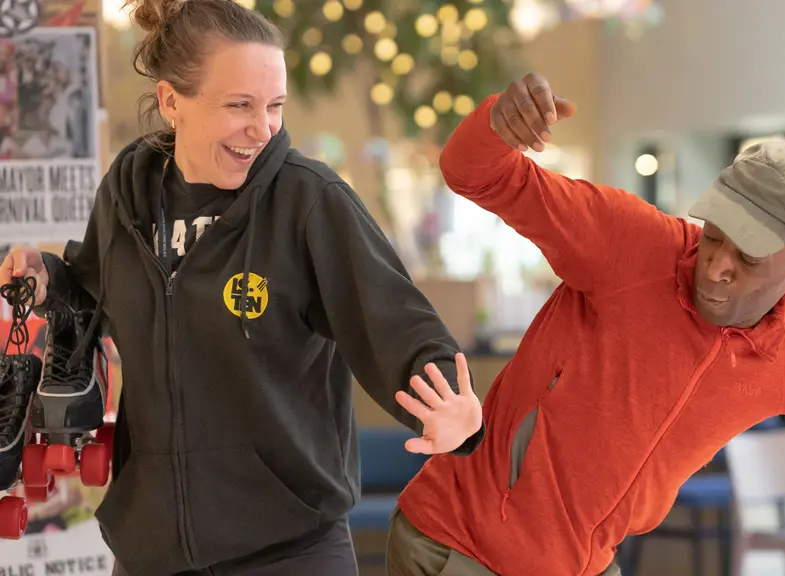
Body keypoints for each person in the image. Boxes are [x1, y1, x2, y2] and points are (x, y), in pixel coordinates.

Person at [386, 73, 785, 576]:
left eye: (749, 257)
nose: (718, 266)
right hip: (459, 546)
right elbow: (472, 172)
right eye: (714, 234)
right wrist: (498, 123)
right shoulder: (630, 243)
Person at [0, 0, 483, 574]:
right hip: (152, 552)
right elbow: (97, 299)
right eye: (239, 106)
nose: (263, 128)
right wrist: (46, 278)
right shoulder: (127, 195)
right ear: (171, 101)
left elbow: (391, 316)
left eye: (275, 106)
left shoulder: (308, 201)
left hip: (290, 549)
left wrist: (454, 408)